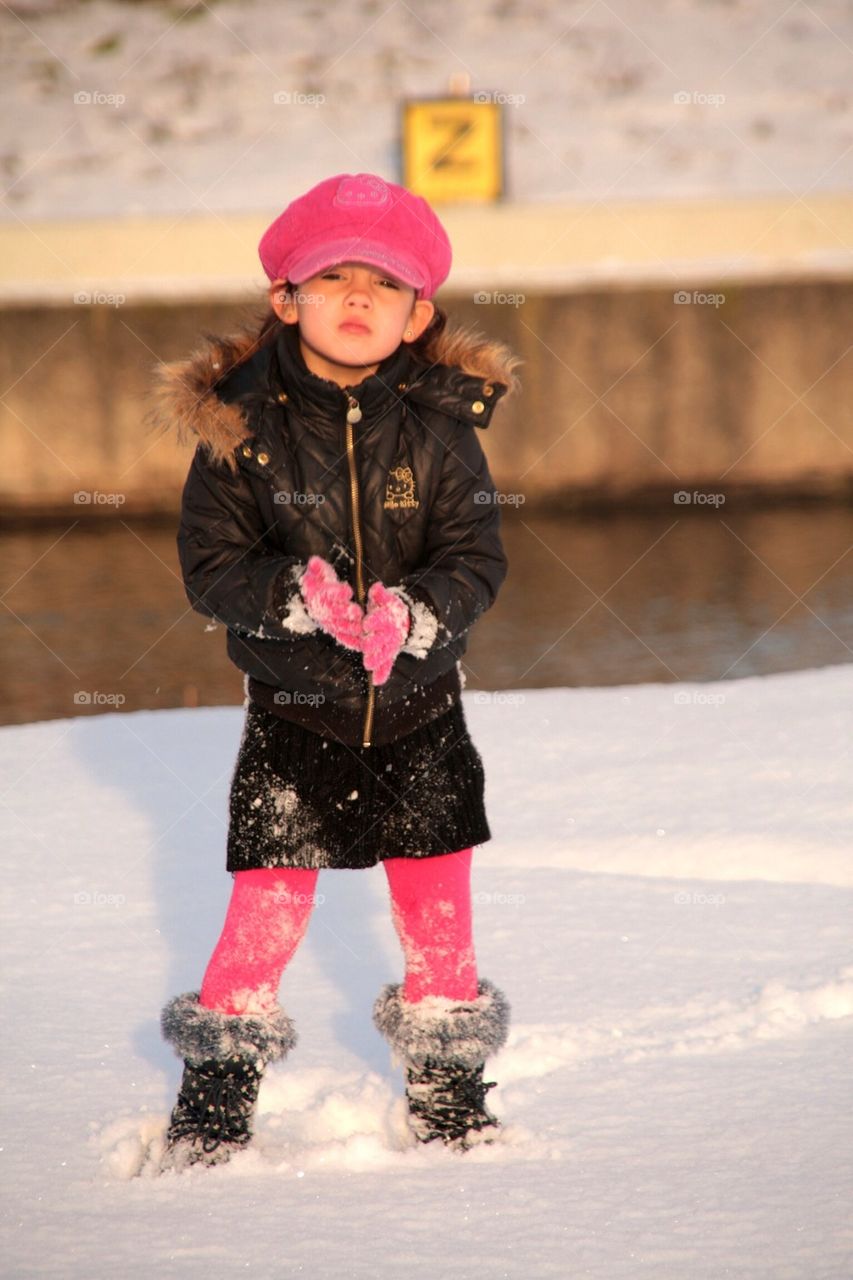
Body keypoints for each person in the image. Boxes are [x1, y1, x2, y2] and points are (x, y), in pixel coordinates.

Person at [153, 172, 521, 1171]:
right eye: (334, 278)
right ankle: (213, 1115)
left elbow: (475, 558)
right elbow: (212, 566)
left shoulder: (442, 425)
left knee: (438, 910)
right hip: (294, 714)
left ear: (419, 311)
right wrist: (297, 597)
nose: (358, 300)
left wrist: (414, 613)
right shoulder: (240, 425)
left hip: (421, 710)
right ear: (286, 298)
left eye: (384, 283)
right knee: (265, 909)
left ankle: (450, 1103)